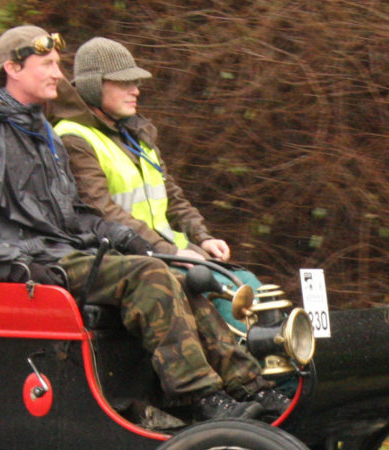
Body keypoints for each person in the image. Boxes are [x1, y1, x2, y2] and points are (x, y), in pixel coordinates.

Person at [0, 25, 287, 421]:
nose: (58, 75)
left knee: (174, 273)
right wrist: (15, 260)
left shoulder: (41, 133)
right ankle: (200, 398)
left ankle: (249, 385)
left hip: (58, 253)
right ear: (12, 68)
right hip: (26, 267)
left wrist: (127, 238)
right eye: (46, 64)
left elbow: (74, 213)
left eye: (57, 64)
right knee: (151, 275)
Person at [50, 37, 264, 330]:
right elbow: (102, 211)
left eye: (135, 83)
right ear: (93, 86)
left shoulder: (136, 133)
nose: (135, 90)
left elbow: (172, 196)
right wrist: (172, 252)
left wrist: (202, 238)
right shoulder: (74, 138)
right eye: (124, 83)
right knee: (226, 296)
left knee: (249, 284)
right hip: (130, 258)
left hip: (169, 252)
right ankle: (256, 370)